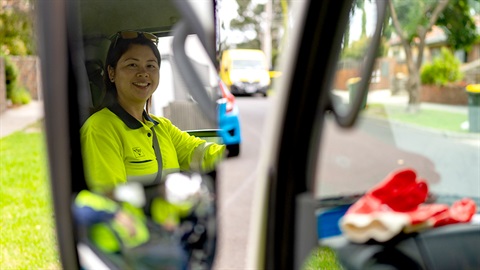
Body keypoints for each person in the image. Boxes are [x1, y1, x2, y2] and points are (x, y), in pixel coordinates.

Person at [74, 30, 225, 258]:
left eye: (151, 66)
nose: (143, 73)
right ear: (112, 73)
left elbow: (201, 152)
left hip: (173, 235)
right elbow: (112, 208)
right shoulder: (100, 129)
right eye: (132, 65)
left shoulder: (161, 127)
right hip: (136, 249)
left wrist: (236, 153)